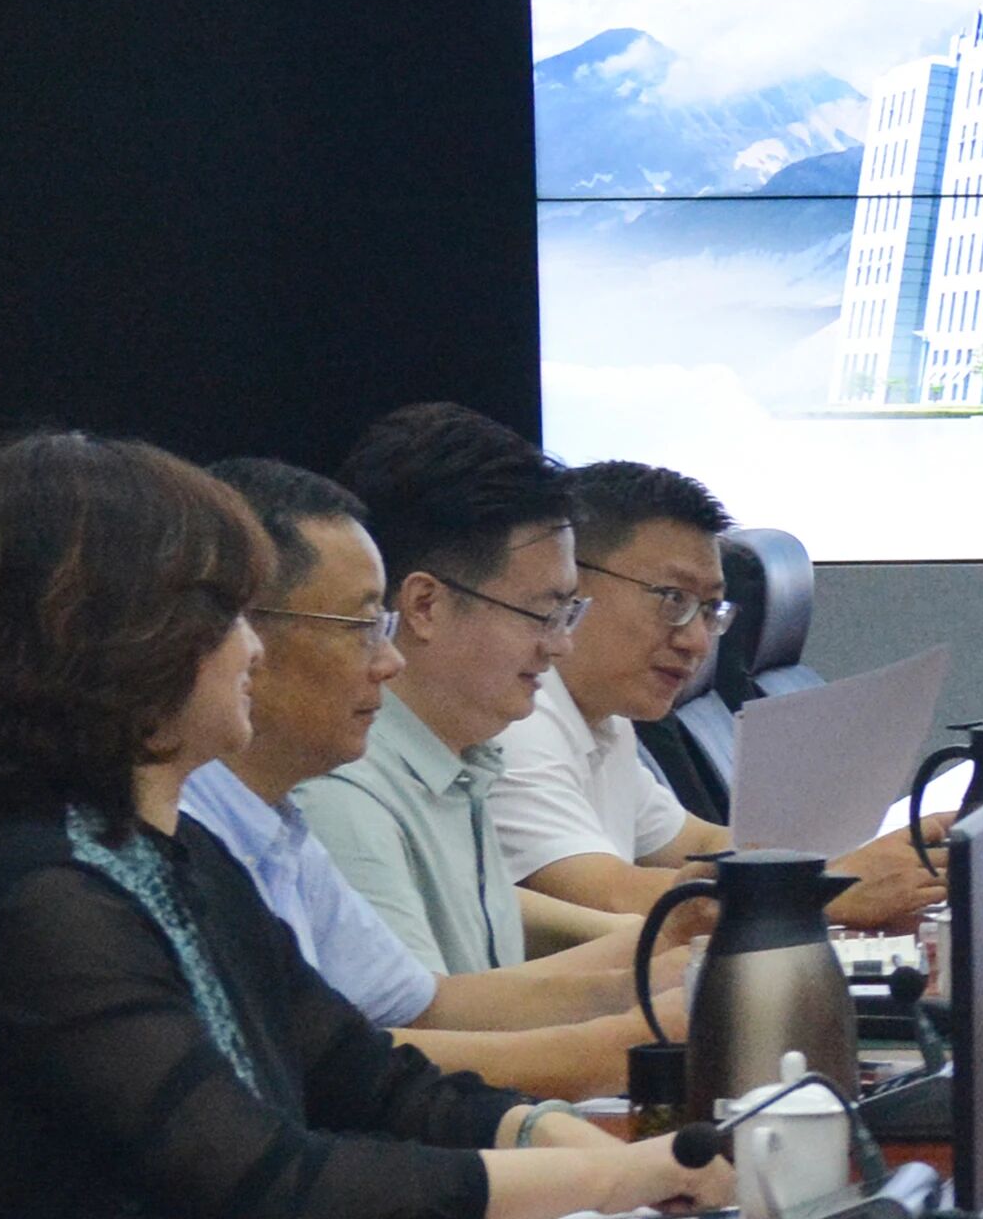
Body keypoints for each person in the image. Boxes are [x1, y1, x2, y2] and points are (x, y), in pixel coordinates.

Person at [0, 433, 724, 1219]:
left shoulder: (177, 855)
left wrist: (540, 1131)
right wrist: (609, 1173)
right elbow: (267, 1180)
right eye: (228, 616)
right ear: (132, 641)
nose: (253, 648)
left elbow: (367, 1075)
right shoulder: (42, 901)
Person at [180, 460, 674, 1098]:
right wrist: (633, 1035)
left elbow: (422, 1006)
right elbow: (365, 1071)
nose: (388, 662)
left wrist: (661, 975)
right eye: (363, 628)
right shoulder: (313, 802)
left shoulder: (281, 820)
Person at [494, 459, 940, 931]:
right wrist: (829, 890)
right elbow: (609, 893)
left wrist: (877, 858)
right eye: (673, 599)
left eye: (709, 610)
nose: (699, 643)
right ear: (569, 584)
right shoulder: (518, 724)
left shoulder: (603, 717)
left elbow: (702, 844)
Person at [291, 403, 590, 976]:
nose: (561, 645)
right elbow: (422, 1019)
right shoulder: (344, 788)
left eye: (568, 613)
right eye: (542, 614)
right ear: (425, 605)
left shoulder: (459, 754)